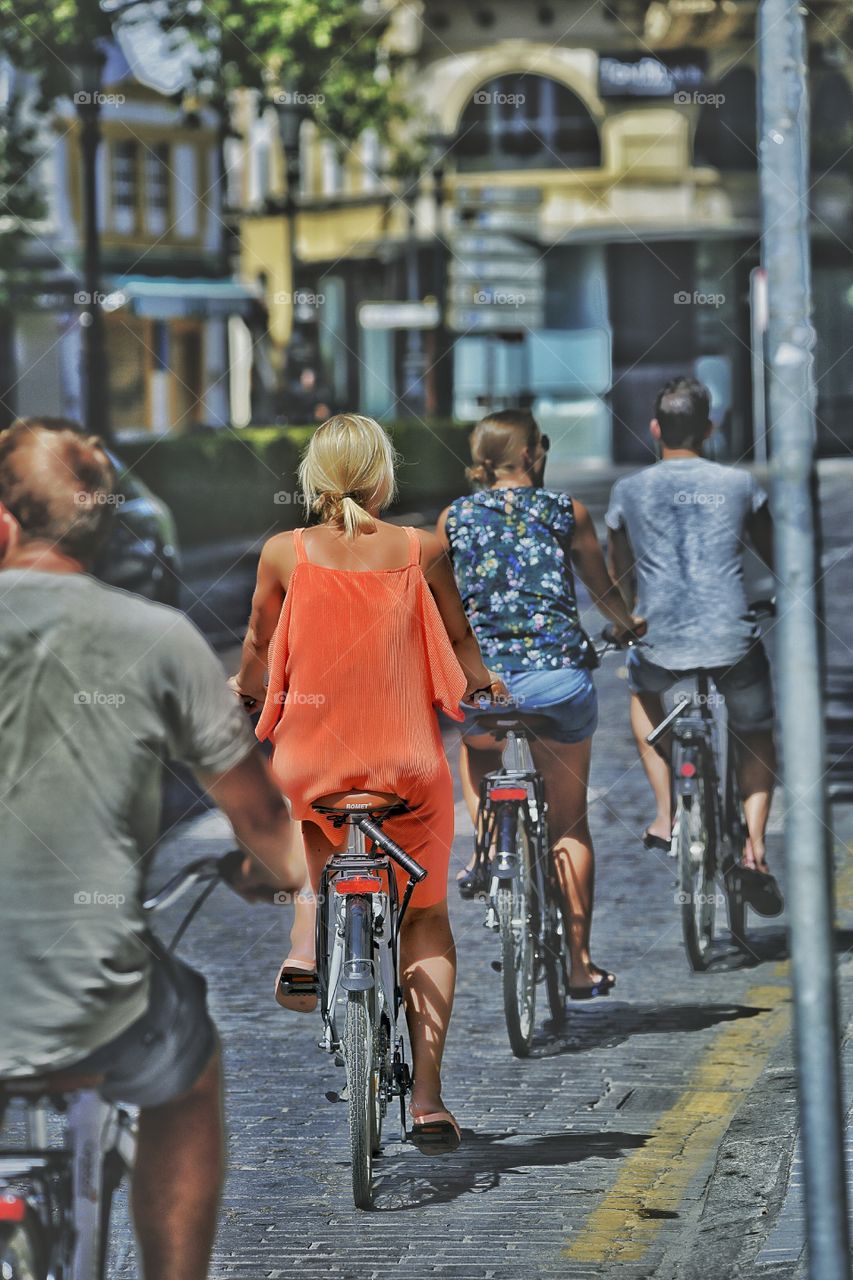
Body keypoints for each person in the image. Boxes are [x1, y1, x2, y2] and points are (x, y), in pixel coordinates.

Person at [0, 419, 305, 1280]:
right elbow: (264, 822)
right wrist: (276, 879)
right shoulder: (158, 637)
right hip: (87, 1004)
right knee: (191, 1068)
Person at [233, 413, 503, 1153]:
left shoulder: (283, 553)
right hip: (406, 768)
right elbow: (456, 638)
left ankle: (305, 943)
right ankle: (426, 1099)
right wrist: (482, 685)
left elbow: (259, 644)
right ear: (383, 475)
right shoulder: (422, 549)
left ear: (312, 481)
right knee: (423, 921)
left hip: (313, 764)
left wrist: (248, 690)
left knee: (303, 807)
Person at [438, 409, 643, 999]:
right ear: (530, 455)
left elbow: (442, 601)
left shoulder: (454, 518)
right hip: (556, 681)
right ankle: (578, 965)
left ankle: (487, 847)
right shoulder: (564, 511)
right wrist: (626, 625)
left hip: (481, 683)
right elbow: (601, 589)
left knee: (478, 750)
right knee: (570, 820)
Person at [605, 376, 782, 913]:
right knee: (753, 730)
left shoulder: (629, 491)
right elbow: (772, 555)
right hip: (732, 637)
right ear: (711, 428)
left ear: (656, 428)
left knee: (642, 696)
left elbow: (617, 568)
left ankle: (666, 813)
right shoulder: (740, 484)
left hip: (659, 641)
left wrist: (630, 613)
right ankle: (753, 849)